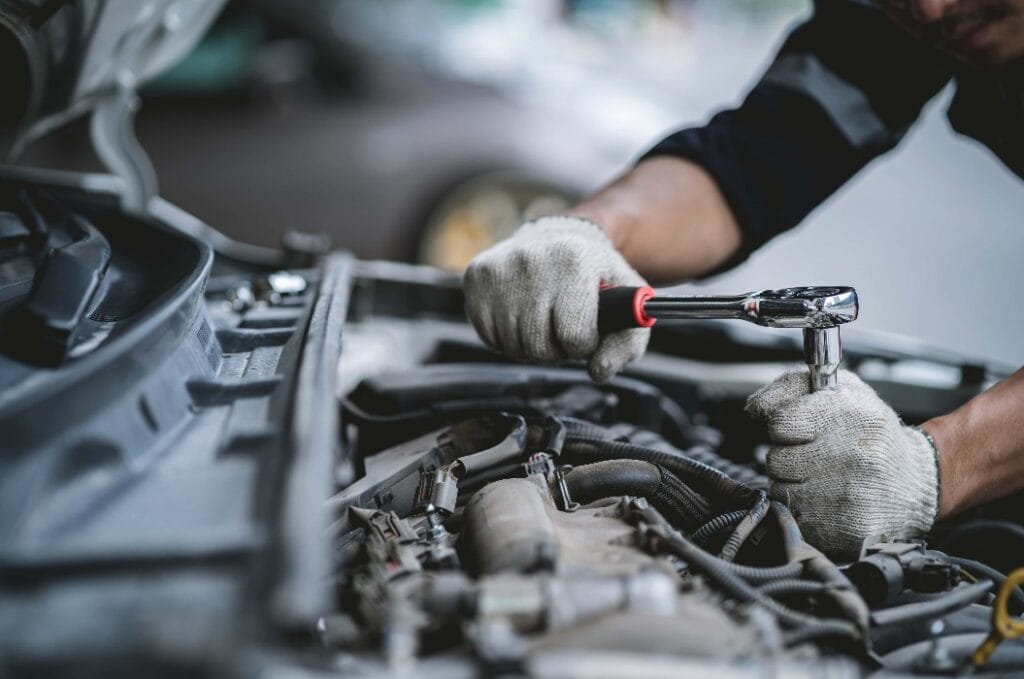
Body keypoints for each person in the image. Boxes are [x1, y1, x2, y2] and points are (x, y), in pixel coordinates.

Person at [462, 0, 1024, 560]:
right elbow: (750, 161)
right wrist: (586, 231)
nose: (928, 11)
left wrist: (942, 464)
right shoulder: (902, 20)